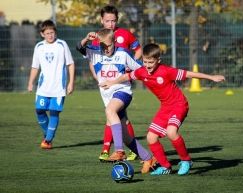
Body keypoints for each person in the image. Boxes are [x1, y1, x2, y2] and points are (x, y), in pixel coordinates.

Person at [99, 43, 225, 175]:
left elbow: (189, 74)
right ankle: (165, 166)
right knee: (151, 137)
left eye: (151, 62)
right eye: (145, 61)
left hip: (179, 105)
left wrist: (211, 77)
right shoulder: (142, 72)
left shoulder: (166, 71)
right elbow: (127, 76)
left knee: (171, 131)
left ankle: (186, 160)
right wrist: (111, 82)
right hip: (165, 107)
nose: (147, 65)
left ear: (158, 61)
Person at [86, 28, 156, 174]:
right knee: (125, 136)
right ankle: (148, 158)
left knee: (110, 111)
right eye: (103, 46)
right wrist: (87, 38)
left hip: (123, 92)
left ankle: (119, 151)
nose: (106, 49)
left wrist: (153, 78)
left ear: (114, 43)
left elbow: (139, 70)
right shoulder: (95, 53)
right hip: (108, 97)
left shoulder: (123, 54)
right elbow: (79, 47)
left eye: (109, 46)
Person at [76, 5, 141, 161]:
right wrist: (98, 76)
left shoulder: (125, 35)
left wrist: (129, 69)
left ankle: (112, 150)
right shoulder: (98, 37)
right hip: (105, 85)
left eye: (113, 21)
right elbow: (84, 52)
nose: (110, 24)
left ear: (117, 20)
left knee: (111, 113)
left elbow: (138, 50)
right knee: (120, 119)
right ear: (101, 20)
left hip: (121, 85)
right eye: (107, 21)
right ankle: (145, 156)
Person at [27, 20, 75, 149]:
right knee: (39, 111)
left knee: (54, 113)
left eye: (52, 33)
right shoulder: (39, 47)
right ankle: (47, 133)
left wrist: (71, 83)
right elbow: (35, 67)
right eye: (47, 33)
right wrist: (31, 82)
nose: (50, 35)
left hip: (58, 88)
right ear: (42, 34)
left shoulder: (62, 45)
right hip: (43, 88)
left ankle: (48, 140)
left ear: (55, 33)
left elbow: (70, 64)